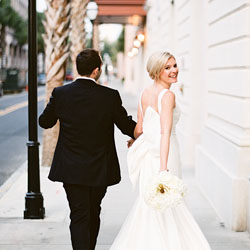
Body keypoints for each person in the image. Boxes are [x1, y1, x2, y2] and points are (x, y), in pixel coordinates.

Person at [110, 51, 212, 250]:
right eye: (167, 67)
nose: (174, 70)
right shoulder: (167, 95)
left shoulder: (145, 93)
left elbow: (139, 128)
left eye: (174, 65)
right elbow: (164, 132)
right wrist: (164, 169)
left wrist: (135, 139)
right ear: (157, 71)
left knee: (152, 205)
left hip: (149, 154)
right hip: (166, 155)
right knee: (169, 204)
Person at [39, 49, 136, 250]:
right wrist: (147, 133)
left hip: (71, 168)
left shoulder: (61, 93)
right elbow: (128, 127)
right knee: (93, 211)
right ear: (96, 71)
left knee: (79, 214)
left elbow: (45, 122)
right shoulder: (109, 96)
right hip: (99, 168)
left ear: (78, 68)